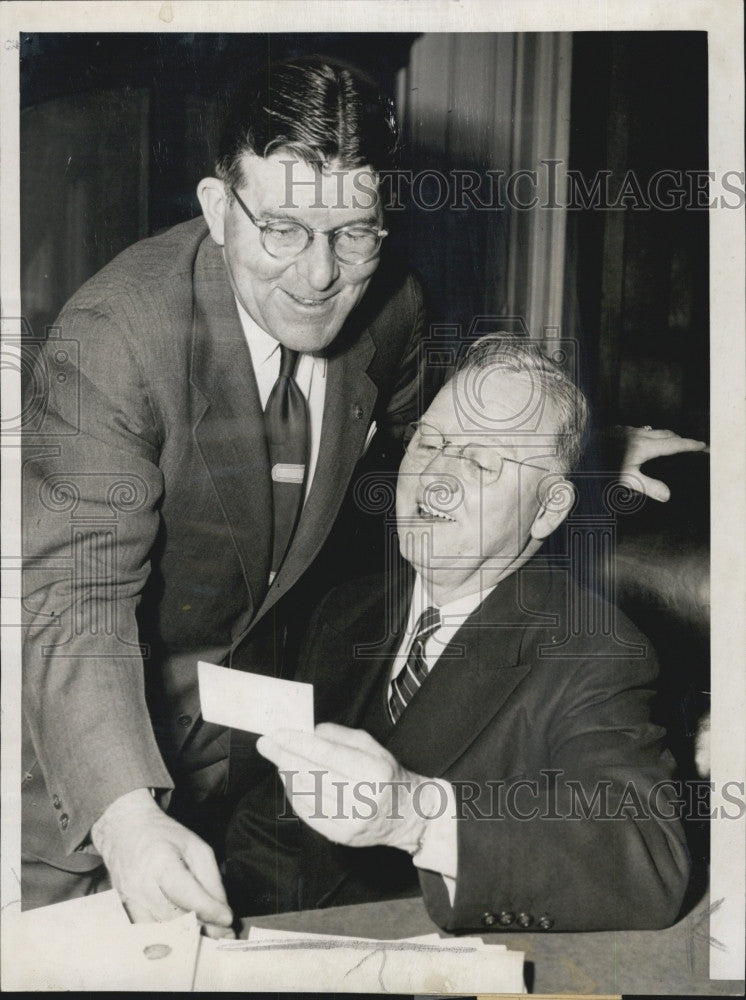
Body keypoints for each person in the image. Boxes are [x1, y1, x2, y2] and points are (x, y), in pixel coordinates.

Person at [21, 56, 425, 933]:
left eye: (354, 230)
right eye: (281, 228)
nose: (320, 275)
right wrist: (124, 817)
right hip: (67, 746)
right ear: (217, 209)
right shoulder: (115, 339)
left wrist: (578, 446)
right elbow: (77, 598)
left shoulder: (388, 309)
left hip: (229, 729)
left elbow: (418, 421)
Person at [225, 337, 691, 932]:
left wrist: (414, 816)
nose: (435, 480)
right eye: (432, 441)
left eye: (480, 462)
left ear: (548, 509)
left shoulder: (594, 652)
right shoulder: (346, 610)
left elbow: (647, 862)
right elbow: (274, 825)